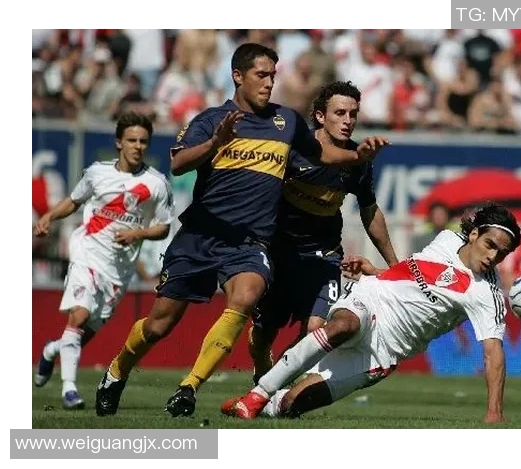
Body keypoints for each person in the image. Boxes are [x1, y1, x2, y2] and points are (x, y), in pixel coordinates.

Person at [95, 43, 387, 417]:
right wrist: (215, 142)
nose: (268, 83)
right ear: (238, 76)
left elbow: (321, 155)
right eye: (261, 75)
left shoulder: (287, 121)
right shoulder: (211, 119)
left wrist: (357, 156)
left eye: (272, 76)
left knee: (246, 297)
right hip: (201, 235)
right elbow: (178, 163)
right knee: (158, 326)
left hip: (251, 242)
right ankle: (116, 371)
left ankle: (189, 387)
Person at [222, 202, 521, 424]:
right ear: (473, 234)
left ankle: (266, 404)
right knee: (344, 325)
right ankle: (258, 394)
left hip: (384, 350)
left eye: (502, 253)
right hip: (372, 298)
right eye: (490, 245)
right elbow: (413, 276)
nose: (492, 256)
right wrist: (377, 271)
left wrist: (494, 412)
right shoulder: (446, 239)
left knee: (291, 404)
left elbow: (493, 354)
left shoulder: (486, 294)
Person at [249, 81, 399, 385]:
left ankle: (268, 390)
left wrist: (395, 265)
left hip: (324, 254)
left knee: (315, 330)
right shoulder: (294, 150)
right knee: (263, 336)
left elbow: (370, 211)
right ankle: (264, 373)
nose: (348, 121)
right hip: (279, 251)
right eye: (340, 113)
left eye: (353, 114)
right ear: (320, 116)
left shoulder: (358, 161)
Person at [33, 111, 174, 409]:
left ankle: (51, 351)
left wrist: (137, 233)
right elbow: (74, 201)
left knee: (83, 334)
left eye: (143, 141)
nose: (138, 146)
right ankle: (70, 391)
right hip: (87, 252)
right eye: (132, 140)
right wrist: (49, 216)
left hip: (119, 269)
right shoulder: (97, 173)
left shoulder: (157, 184)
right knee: (79, 316)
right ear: (119, 143)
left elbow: (163, 227)